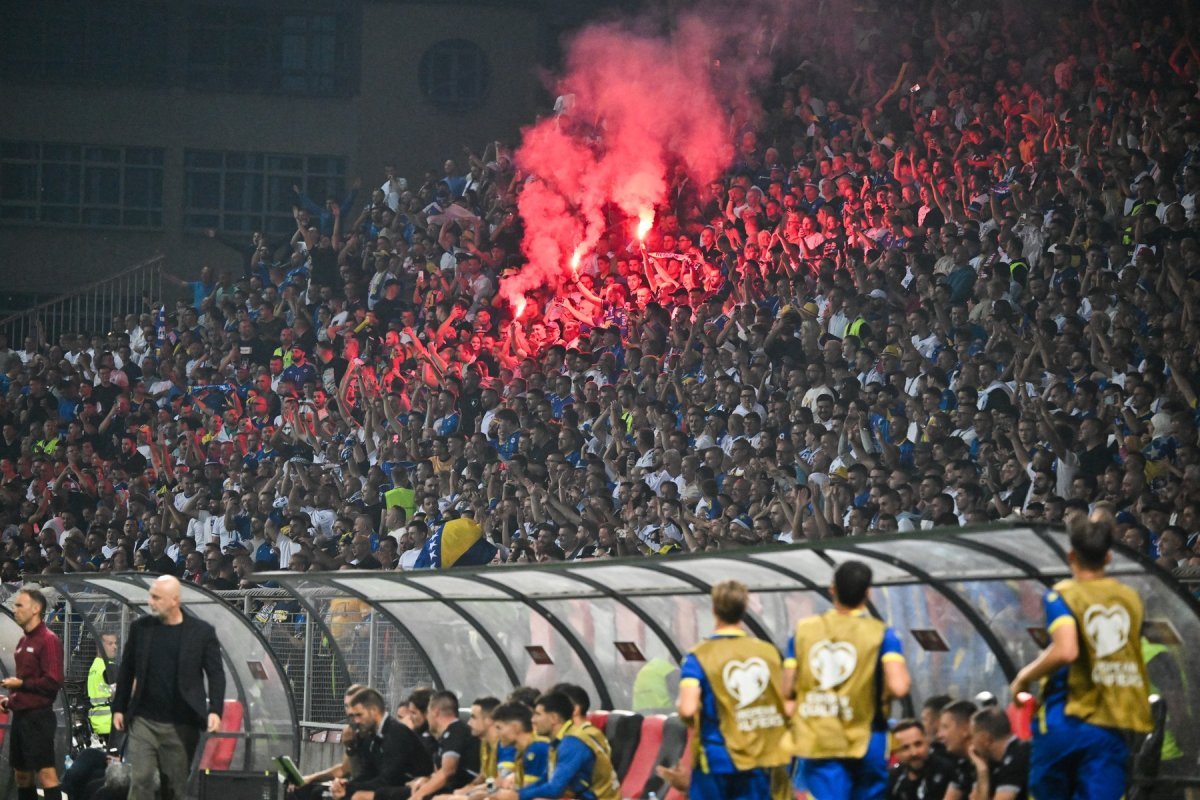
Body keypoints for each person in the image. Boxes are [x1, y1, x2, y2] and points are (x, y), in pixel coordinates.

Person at [1009, 509, 1152, 800]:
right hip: (1112, 721)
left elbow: (1066, 649)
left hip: (1066, 718)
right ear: (1109, 557)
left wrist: (1022, 678)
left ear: (1071, 556)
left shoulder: (1062, 594)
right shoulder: (1130, 598)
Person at [783, 561, 911, 800]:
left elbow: (787, 689)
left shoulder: (804, 630)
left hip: (821, 739)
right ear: (868, 593)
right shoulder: (882, 633)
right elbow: (899, 686)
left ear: (833, 589)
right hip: (867, 739)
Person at [111, 575, 226, 800]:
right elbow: (127, 669)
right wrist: (119, 707)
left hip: (182, 722)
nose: (150, 602)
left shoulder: (201, 632)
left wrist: (215, 710)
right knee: (141, 778)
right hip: (144, 719)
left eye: (156, 597)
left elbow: (216, 674)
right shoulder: (140, 629)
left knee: (174, 788)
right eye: (150, 596)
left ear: (174, 600)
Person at [676, 580, 791, 800]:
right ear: (744, 609)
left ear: (714, 609)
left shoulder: (699, 656)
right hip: (759, 756)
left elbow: (688, 710)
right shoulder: (768, 653)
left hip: (717, 758)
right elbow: (785, 703)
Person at [0, 587, 64, 800]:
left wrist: (21, 684)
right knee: (22, 775)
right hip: (21, 717)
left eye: (20, 605)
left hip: (38, 718)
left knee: (46, 774)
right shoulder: (23, 641)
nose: (15, 610)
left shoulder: (48, 639)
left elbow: (53, 681)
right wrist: (10, 700)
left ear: (36, 609)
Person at [329, 686, 434, 800]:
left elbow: (389, 779)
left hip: (413, 788)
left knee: (357, 797)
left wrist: (349, 788)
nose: (356, 721)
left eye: (359, 715)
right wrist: (345, 785)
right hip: (393, 787)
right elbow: (367, 773)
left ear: (374, 711)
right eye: (353, 716)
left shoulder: (396, 733)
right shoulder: (370, 735)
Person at [517, 691, 620, 800]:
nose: (533, 720)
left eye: (538, 714)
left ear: (553, 718)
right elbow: (546, 779)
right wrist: (518, 794)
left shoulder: (572, 743)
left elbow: (554, 790)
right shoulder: (559, 741)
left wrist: (518, 796)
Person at [409, 691, 480, 800]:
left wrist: (417, 796)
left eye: (428, 712)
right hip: (456, 789)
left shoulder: (457, 730)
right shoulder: (446, 736)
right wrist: (427, 780)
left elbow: (447, 772)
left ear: (435, 712)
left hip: (464, 790)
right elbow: (439, 772)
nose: (427, 717)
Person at [489, 701, 551, 797]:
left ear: (515, 727)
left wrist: (490, 793)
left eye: (499, 728)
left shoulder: (537, 749)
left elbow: (526, 793)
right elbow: (492, 780)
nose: (496, 734)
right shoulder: (522, 751)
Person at [964, 709, 1029, 800]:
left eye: (972, 737)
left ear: (985, 738)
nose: (971, 744)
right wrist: (982, 771)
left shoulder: (1019, 756)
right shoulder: (992, 761)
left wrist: (983, 774)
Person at [887, 719, 955, 800]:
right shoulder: (893, 779)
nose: (914, 753)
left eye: (918, 744)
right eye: (905, 748)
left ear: (927, 742)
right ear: (896, 753)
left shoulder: (948, 771)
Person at [87, 633, 119, 743]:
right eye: (110, 644)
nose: (115, 647)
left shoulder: (94, 667)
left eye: (116, 643)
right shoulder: (109, 668)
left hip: (97, 724)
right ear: (100, 646)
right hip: (111, 724)